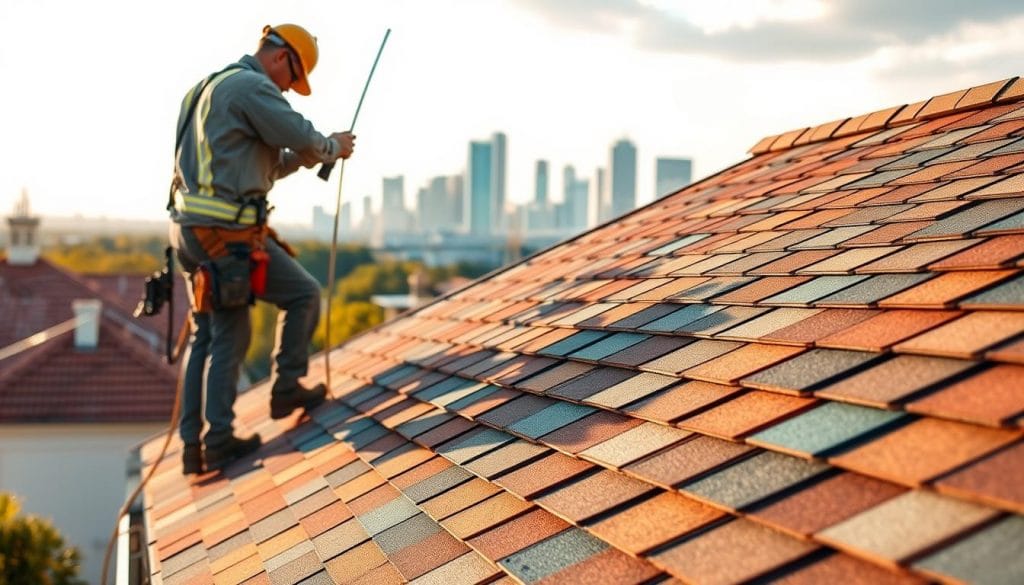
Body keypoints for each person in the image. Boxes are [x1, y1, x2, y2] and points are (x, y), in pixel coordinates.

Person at [170, 23, 355, 473]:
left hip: (191, 234)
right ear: (280, 57)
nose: (289, 88)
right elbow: (302, 133)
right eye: (292, 79)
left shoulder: (204, 89)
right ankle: (229, 433)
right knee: (279, 307)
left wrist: (308, 156)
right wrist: (332, 147)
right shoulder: (252, 86)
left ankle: (193, 448)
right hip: (224, 237)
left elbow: (264, 166)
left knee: (206, 336)